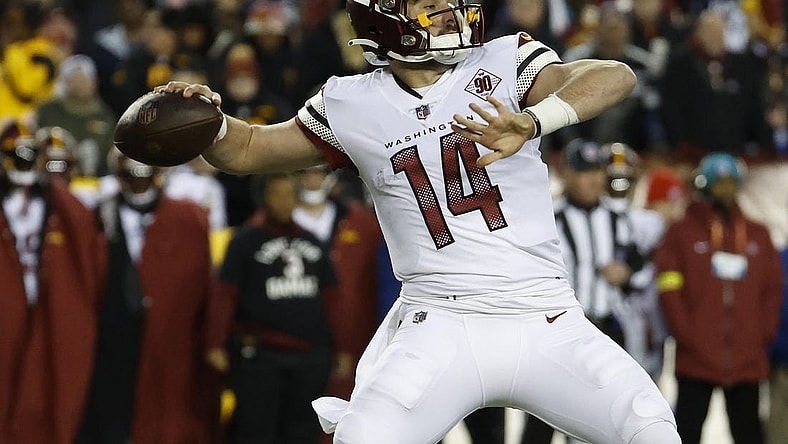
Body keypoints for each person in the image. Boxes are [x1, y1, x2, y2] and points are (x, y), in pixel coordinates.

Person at [158, 0, 680, 441]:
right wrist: (210, 123)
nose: (450, 10)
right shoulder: (351, 103)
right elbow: (249, 148)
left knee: (651, 428)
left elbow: (613, 75)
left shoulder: (504, 59)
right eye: (428, 2)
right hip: (439, 323)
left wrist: (535, 120)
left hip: (544, 314)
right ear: (381, 17)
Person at [78, 150, 220, 444]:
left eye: (145, 178)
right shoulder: (98, 218)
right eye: (131, 178)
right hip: (110, 347)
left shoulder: (189, 218)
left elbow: (206, 288)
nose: (139, 187)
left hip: (171, 345)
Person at [653, 152, 784, 444]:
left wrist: (761, 334)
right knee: (686, 432)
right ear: (705, 185)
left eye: (730, 182)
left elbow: (772, 289)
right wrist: (687, 334)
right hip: (695, 357)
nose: (725, 189)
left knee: (748, 432)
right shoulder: (682, 232)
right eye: (719, 182)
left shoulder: (757, 235)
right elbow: (668, 284)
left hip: (746, 358)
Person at [207, 173, 339, 444]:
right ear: (263, 198)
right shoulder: (245, 241)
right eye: (277, 194)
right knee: (255, 430)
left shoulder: (312, 241)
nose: (284, 201)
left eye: (290, 195)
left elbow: (333, 298)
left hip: (310, 356)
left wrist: (343, 348)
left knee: (303, 431)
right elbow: (224, 295)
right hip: (260, 353)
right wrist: (215, 343)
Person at [0, 120, 106, 444]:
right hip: (11, 311)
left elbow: (91, 273)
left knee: (50, 395)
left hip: (50, 313)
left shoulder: (74, 209)